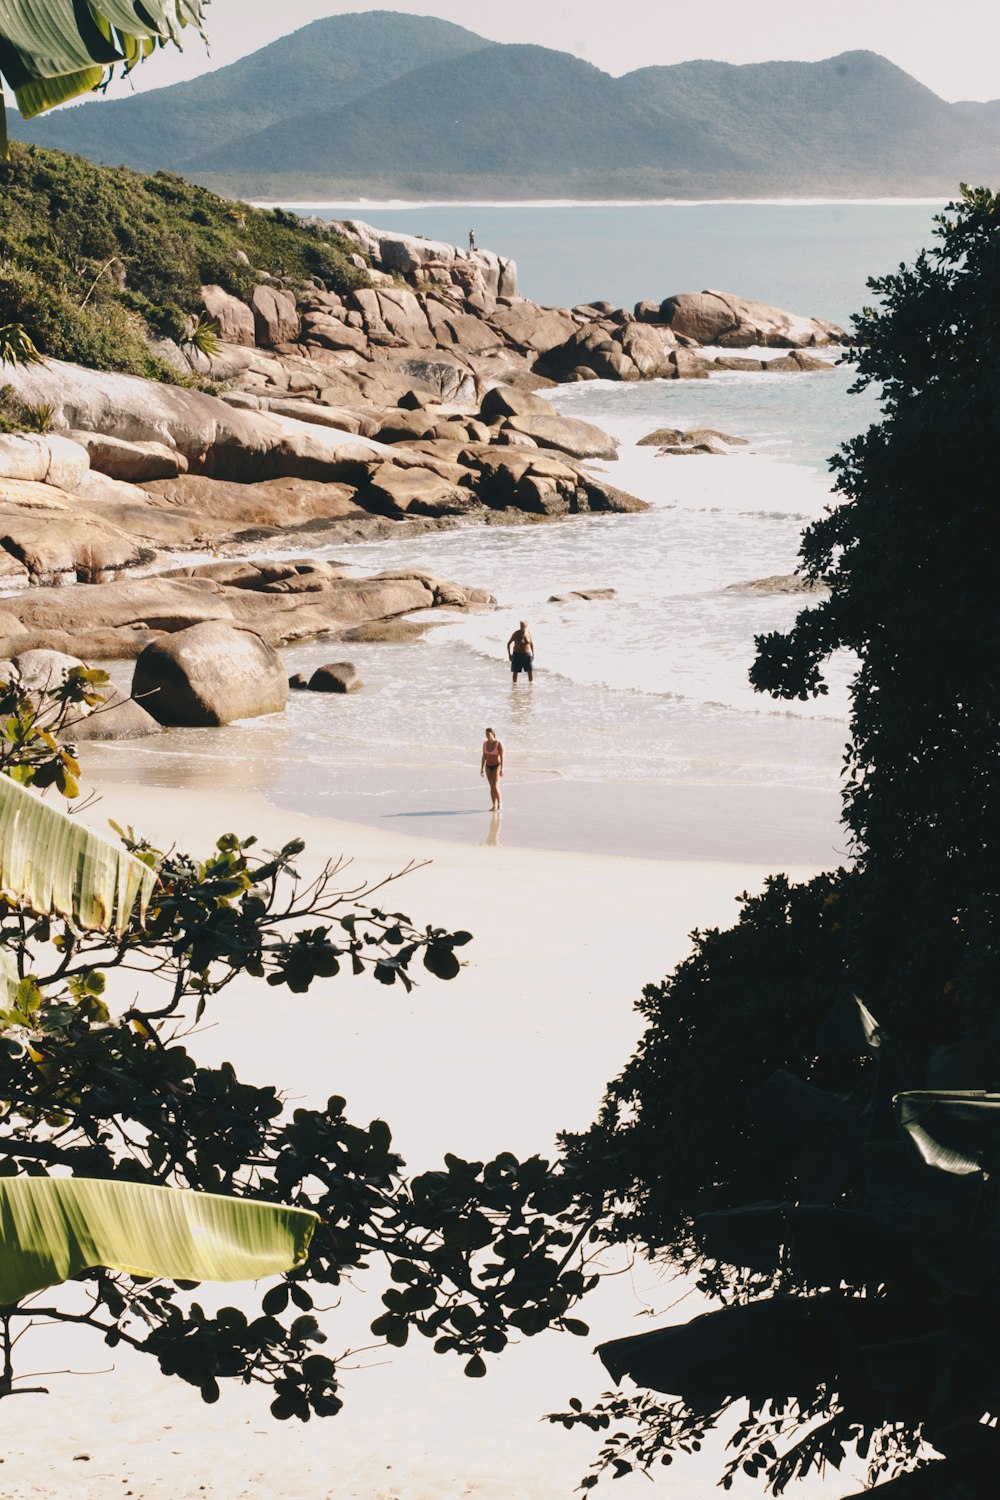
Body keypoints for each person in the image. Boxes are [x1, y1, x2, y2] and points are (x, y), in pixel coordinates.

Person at [480, 726, 503, 810]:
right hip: (488, 766)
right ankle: (494, 805)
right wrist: (482, 768)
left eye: (488, 734)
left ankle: (500, 802)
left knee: (494, 785)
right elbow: (484, 756)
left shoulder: (498, 743)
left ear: (493, 734)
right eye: (486, 734)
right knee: (491, 786)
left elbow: (502, 756)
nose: (487, 736)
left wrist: (502, 769)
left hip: (497, 766)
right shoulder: (485, 744)